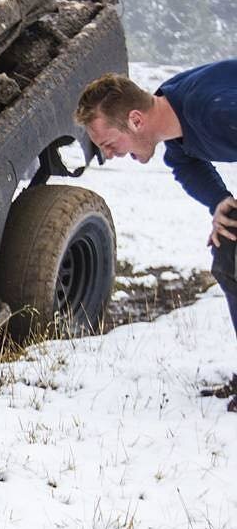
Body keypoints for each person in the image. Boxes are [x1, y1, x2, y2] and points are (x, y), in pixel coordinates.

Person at [75, 60, 237, 336]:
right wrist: (219, 200)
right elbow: (184, 163)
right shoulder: (174, 114)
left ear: (136, 120)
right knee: (229, 249)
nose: (110, 155)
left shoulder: (214, 109)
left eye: (109, 144)